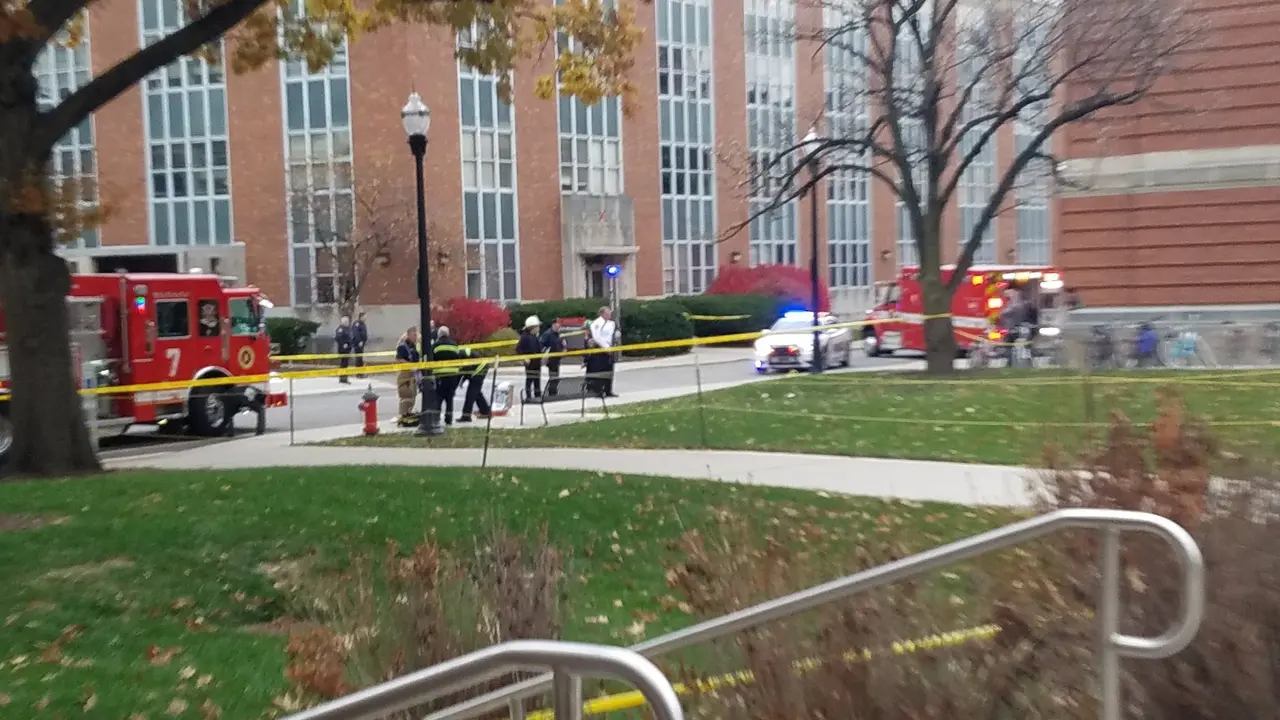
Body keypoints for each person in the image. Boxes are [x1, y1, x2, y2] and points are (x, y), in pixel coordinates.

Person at [431, 326, 465, 425]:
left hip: (440, 376)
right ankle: (449, 418)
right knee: (449, 398)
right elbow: (459, 360)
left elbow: (431, 360)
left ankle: (436, 418)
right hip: (452, 376)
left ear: (439, 334)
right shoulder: (454, 345)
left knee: (439, 397)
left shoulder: (436, 345)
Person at [588, 306, 619, 397]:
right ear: (602, 314)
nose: (609, 314)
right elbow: (597, 337)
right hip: (600, 350)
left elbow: (613, 335)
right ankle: (598, 391)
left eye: (609, 313)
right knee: (600, 371)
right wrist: (606, 348)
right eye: (607, 313)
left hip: (610, 348)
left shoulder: (611, 323)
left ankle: (608, 390)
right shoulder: (596, 323)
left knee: (609, 370)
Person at [395, 326, 422, 424]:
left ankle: (408, 413)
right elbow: (399, 359)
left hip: (413, 374)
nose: (416, 337)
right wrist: (411, 366)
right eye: (414, 335)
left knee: (412, 395)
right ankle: (403, 415)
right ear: (409, 335)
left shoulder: (413, 346)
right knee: (406, 395)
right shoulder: (402, 346)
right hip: (405, 375)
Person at [458, 349, 493, 423]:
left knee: (471, 393)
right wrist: (463, 380)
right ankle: (485, 411)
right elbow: (466, 369)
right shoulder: (459, 353)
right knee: (476, 392)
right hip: (479, 367)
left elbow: (466, 368)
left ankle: (466, 416)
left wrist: (462, 380)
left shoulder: (459, 355)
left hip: (479, 369)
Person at [516, 315, 543, 401]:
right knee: (530, 379)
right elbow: (518, 349)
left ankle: (537, 395)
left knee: (537, 379)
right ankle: (528, 396)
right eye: (537, 326)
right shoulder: (524, 337)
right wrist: (524, 358)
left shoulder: (535, 337)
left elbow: (538, 349)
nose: (539, 328)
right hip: (530, 363)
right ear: (533, 327)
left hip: (537, 362)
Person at [540, 318, 566, 398]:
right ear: (554, 324)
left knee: (555, 376)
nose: (560, 326)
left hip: (557, 358)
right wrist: (545, 355)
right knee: (553, 376)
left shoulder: (557, 334)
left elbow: (560, 344)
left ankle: (553, 391)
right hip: (551, 359)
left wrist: (563, 348)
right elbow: (542, 345)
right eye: (558, 324)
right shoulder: (548, 334)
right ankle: (552, 393)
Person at [335, 315, 353, 384]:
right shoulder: (340, 329)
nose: (348, 323)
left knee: (346, 364)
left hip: (348, 349)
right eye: (346, 321)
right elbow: (338, 338)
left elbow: (350, 337)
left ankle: (344, 378)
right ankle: (342, 378)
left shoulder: (348, 329)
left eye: (348, 321)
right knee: (343, 364)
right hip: (343, 350)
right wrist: (343, 344)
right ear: (343, 322)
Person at [351, 311, 369, 378]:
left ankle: (360, 373)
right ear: (361, 317)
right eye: (365, 317)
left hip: (362, 344)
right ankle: (358, 374)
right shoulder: (357, 324)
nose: (365, 318)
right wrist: (359, 341)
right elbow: (356, 333)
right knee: (358, 359)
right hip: (358, 344)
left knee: (360, 359)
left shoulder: (363, 324)